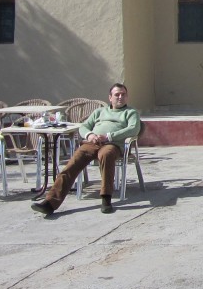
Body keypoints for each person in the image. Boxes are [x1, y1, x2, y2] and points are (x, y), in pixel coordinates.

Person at [31, 83, 141, 216]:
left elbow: (133, 129)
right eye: (117, 94)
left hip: (113, 144)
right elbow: (84, 126)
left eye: (123, 94)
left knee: (106, 155)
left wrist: (108, 136)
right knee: (72, 164)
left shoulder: (131, 112)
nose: (120, 97)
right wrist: (90, 135)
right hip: (92, 143)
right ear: (110, 97)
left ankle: (106, 198)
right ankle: (50, 203)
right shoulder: (99, 112)